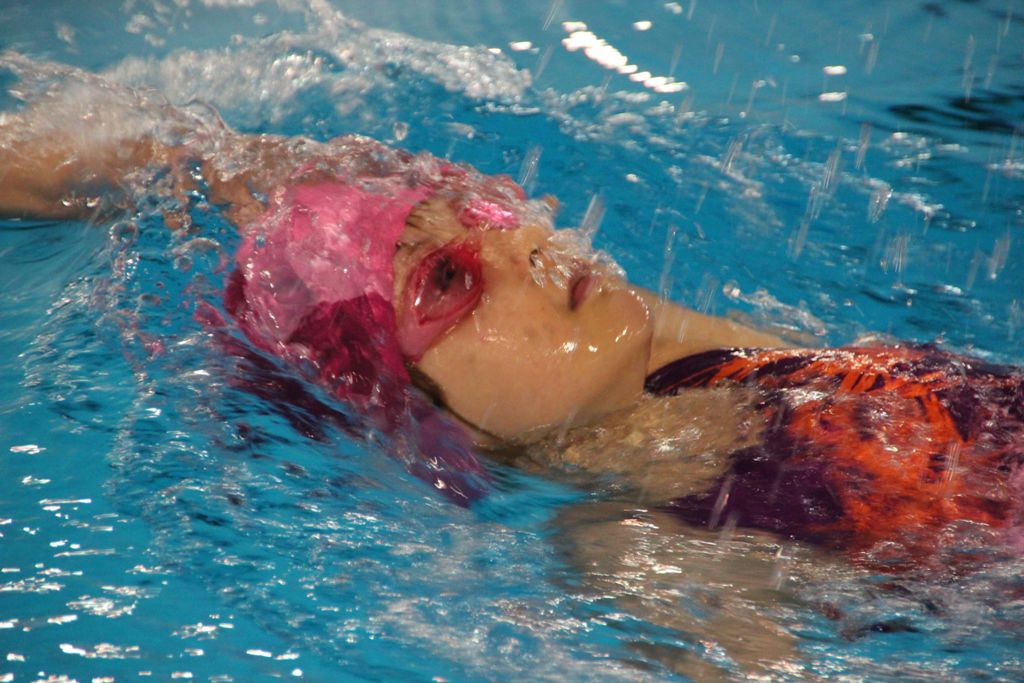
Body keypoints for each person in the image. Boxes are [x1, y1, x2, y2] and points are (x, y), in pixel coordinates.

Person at [2, 86, 1023, 573]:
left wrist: (182, 166)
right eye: (447, 280)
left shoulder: (689, 357)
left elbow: (200, 152)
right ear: (421, 419)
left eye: (485, 212)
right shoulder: (646, 541)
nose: (519, 244)